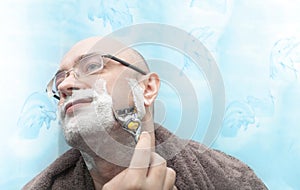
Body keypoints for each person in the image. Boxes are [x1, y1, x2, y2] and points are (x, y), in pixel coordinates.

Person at [23, 37, 267, 190]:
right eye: (59, 80)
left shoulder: (230, 179)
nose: (65, 86)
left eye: (92, 66)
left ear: (147, 89)